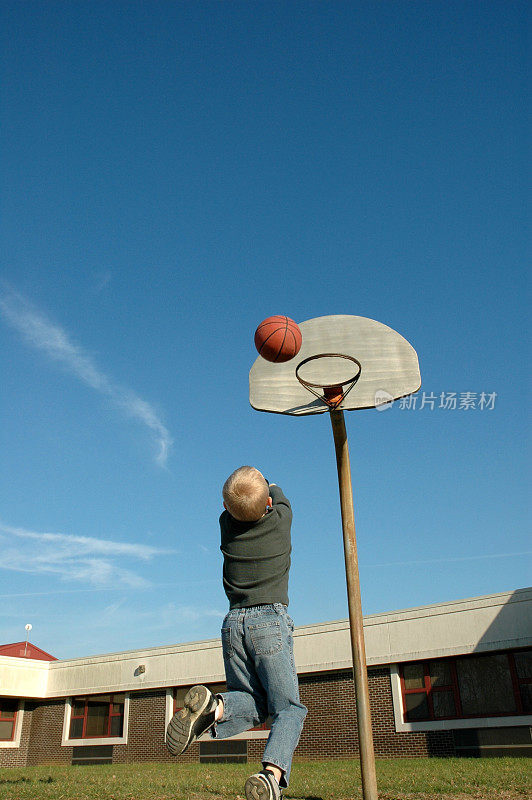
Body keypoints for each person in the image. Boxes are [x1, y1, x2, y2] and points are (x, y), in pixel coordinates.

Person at [166, 466, 307, 800]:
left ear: (227, 508)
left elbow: (240, 504)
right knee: (289, 710)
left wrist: (242, 494)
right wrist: (266, 481)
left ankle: (215, 708)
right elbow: (277, 493)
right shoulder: (280, 521)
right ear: (269, 505)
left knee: (254, 704)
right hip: (270, 622)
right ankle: (272, 777)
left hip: (233, 624)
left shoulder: (226, 528)